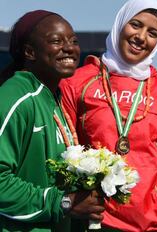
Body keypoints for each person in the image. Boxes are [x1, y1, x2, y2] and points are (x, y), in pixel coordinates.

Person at [59, 0, 157, 231]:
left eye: (152, 33)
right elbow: (61, 152)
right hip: (91, 222)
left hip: (147, 225)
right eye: (135, 25)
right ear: (120, 24)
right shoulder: (77, 83)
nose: (141, 37)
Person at [0, 10, 105, 231]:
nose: (69, 48)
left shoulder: (53, 98)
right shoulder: (16, 98)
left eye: (73, 41)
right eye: (56, 41)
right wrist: (63, 202)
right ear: (30, 52)